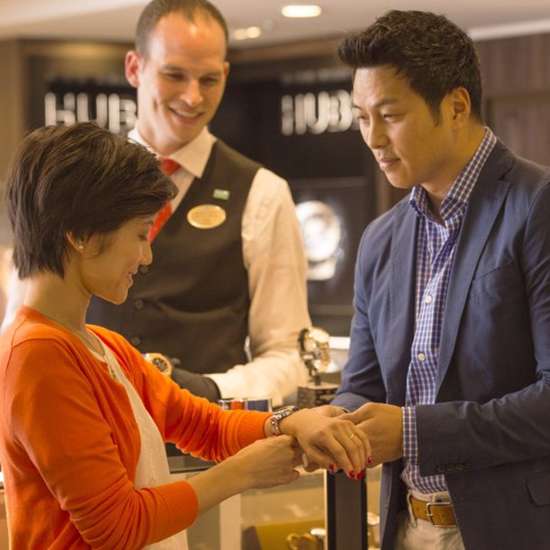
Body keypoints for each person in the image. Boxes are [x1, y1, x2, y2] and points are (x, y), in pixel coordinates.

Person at [0, 123, 370, 549]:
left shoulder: (104, 346)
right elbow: (116, 526)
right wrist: (241, 474)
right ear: (81, 235)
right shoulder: (38, 354)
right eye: (140, 235)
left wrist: (288, 422)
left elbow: (203, 425)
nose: (146, 257)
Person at [331, 10, 550, 550]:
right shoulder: (381, 239)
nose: (373, 138)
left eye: (389, 115)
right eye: (361, 117)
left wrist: (412, 431)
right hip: (406, 527)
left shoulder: (537, 206)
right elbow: (363, 386)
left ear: (455, 106)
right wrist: (332, 422)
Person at [82, 0, 310, 405]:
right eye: (174, 75)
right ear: (134, 68)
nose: (192, 97)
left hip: (204, 432)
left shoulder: (263, 192)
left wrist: (207, 390)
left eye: (209, 80)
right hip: (87, 422)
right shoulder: (80, 180)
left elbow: (288, 355)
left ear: (225, 75)